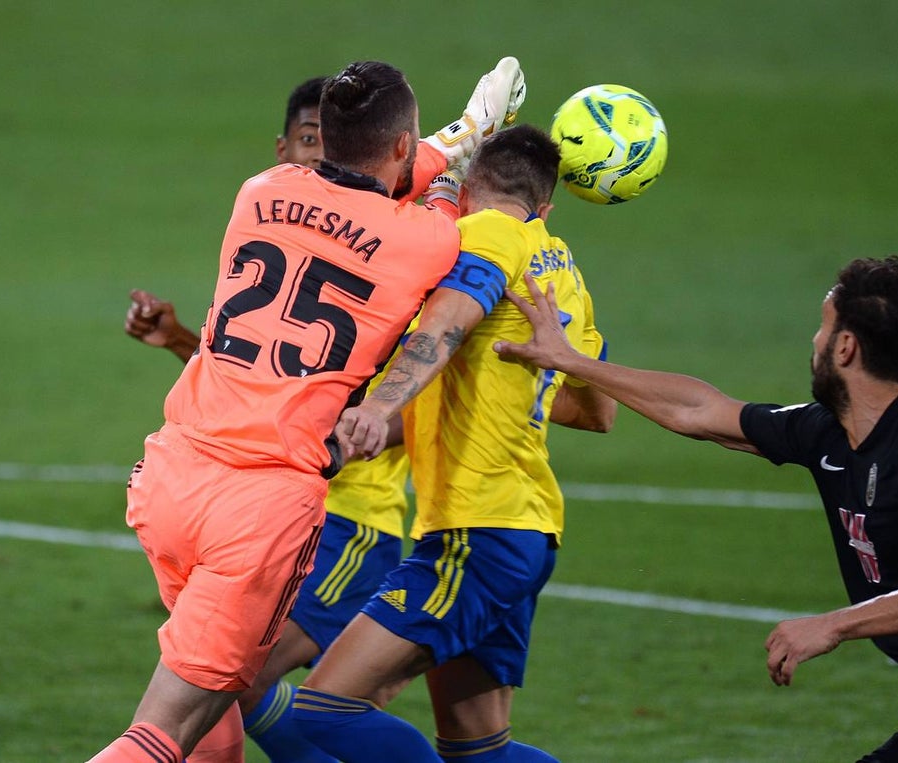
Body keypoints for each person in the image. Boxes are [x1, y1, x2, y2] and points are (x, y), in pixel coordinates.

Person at [90, 56, 527, 763]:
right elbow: (433, 183)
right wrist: (476, 127)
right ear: (399, 147)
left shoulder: (260, 190)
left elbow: (396, 169)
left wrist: (457, 130)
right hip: (258, 505)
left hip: (171, 476)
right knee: (164, 727)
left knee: (217, 705)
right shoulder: (426, 240)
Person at [492, 255, 898, 762]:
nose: (811, 341)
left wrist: (833, 624)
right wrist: (572, 362)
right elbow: (702, 413)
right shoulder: (833, 432)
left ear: (845, 348)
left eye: (821, 327)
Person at [288, 124, 616, 763]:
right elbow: (594, 410)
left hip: (476, 532)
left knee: (326, 709)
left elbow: (446, 323)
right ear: (545, 208)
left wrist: (381, 401)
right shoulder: (563, 269)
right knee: (479, 752)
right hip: (526, 527)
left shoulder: (490, 233)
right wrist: (370, 433)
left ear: (464, 195)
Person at [123, 75, 413, 763]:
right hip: (253, 507)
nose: (321, 161)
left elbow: (400, 405)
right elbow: (268, 391)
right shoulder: (290, 236)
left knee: (220, 686)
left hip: (348, 522)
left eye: (332, 144)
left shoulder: (384, 256)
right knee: (210, 687)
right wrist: (181, 341)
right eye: (310, 142)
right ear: (284, 149)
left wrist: (355, 432)